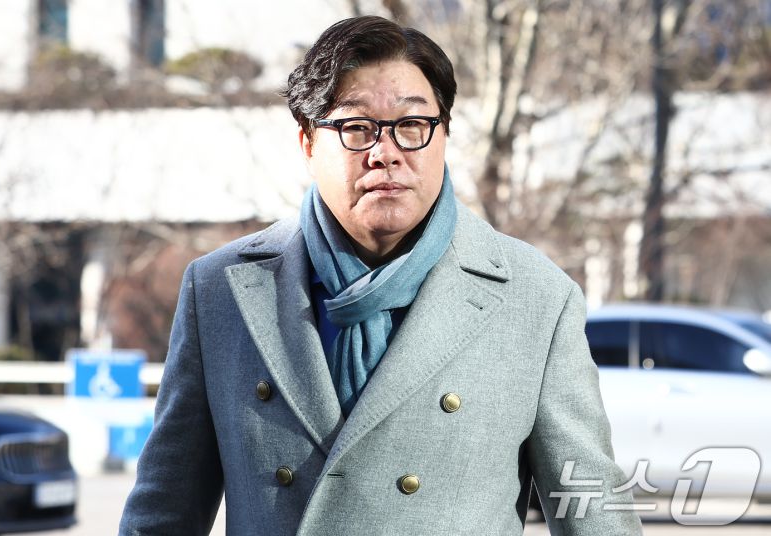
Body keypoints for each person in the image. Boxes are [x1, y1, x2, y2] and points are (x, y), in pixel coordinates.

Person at [119, 15, 642, 536]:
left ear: (443, 135)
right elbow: (163, 513)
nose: (385, 153)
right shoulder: (221, 290)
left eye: (412, 126)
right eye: (356, 128)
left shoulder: (535, 298)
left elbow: (594, 513)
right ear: (307, 143)